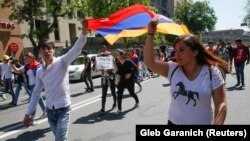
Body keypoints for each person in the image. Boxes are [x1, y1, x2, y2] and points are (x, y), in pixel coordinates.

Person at [144, 19, 228, 125]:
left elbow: (221, 103)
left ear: (195, 52)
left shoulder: (212, 72)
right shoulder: (173, 68)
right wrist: (150, 33)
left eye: (182, 50)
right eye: (176, 50)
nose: (177, 54)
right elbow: (148, 62)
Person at [23, 19, 88, 141]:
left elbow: (76, 49)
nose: (47, 51)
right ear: (40, 52)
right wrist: (28, 113)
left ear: (53, 50)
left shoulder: (62, 62)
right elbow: (36, 93)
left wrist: (84, 32)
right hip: (50, 111)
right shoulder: (39, 71)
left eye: (49, 48)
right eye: (44, 49)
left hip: (64, 109)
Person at [11, 53, 47, 120]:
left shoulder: (38, 65)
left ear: (32, 58)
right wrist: (12, 65)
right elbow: (18, 71)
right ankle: (46, 111)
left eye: (26, 58)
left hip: (36, 85)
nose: (25, 60)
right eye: (24, 59)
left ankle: (32, 117)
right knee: (38, 99)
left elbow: (43, 75)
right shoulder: (26, 66)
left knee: (32, 101)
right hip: (30, 86)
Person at [115, 49, 139, 115]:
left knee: (132, 93)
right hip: (122, 81)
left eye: (118, 54)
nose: (116, 56)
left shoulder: (128, 61)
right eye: (116, 55)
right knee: (119, 95)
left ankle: (137, 101)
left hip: (130, 80)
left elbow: (135, 68)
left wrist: (130, 74)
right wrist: (116, 70)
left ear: (122, 55)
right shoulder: (117, 63)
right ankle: (119, 109)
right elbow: (118, 73)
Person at [98, 45, 117, 114]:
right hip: (104, 78)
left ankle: (115, 103)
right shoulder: (101, 60)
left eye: (105, 56)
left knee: (113, 92)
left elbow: (115, 69)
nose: (104, 57)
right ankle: (103, 108)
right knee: (104, 94)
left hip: (111, 78)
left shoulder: (111, 60)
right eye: (103, 56)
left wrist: (112, 69)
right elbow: (97, 69)